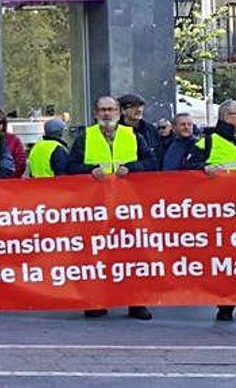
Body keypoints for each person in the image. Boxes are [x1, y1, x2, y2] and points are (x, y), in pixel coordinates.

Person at [67, 96, 155, 320]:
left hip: (129, 207)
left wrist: (133, 168)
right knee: (96, 256)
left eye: (111, 109)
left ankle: (137, 303)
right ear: (96, 113)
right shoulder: (85, 137)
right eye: (103, 110)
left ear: (118, 112)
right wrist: (89, 170)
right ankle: (96, 302)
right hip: (96, 208)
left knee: (134, 256)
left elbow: (151, 164)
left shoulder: (133, 136)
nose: (107, 114)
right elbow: (69, 167)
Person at [187, 100, 236, 321]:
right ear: (227, 117)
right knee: (225, 260)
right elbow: (185, 169)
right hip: (221, 215)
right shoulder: (207, 142)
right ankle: (225, 304)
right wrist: (203, 168)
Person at [118, 93, 162, 170]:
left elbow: (157, 158)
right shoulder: (114, 130)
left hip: (148, 178)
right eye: (133, 107)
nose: (139, 110)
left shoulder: (151, 130)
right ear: (123, 110)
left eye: (141, 106)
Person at [0, 109, 27, 178]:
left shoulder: (14, 139)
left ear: (4, 123)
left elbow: (21, 163)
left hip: (9, 181)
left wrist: (9, 176)